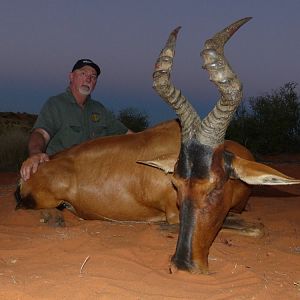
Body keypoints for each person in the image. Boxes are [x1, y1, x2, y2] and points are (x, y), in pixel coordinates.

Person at [20, 58, 132, 181]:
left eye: (93, 77)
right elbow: (41, 133)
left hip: (96, 178)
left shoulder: (100, 109)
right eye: (83, 74)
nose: (88, 79)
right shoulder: (56, 104)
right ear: (71, 76)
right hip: (61, 178)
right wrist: (35, 154)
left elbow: (129, 136)